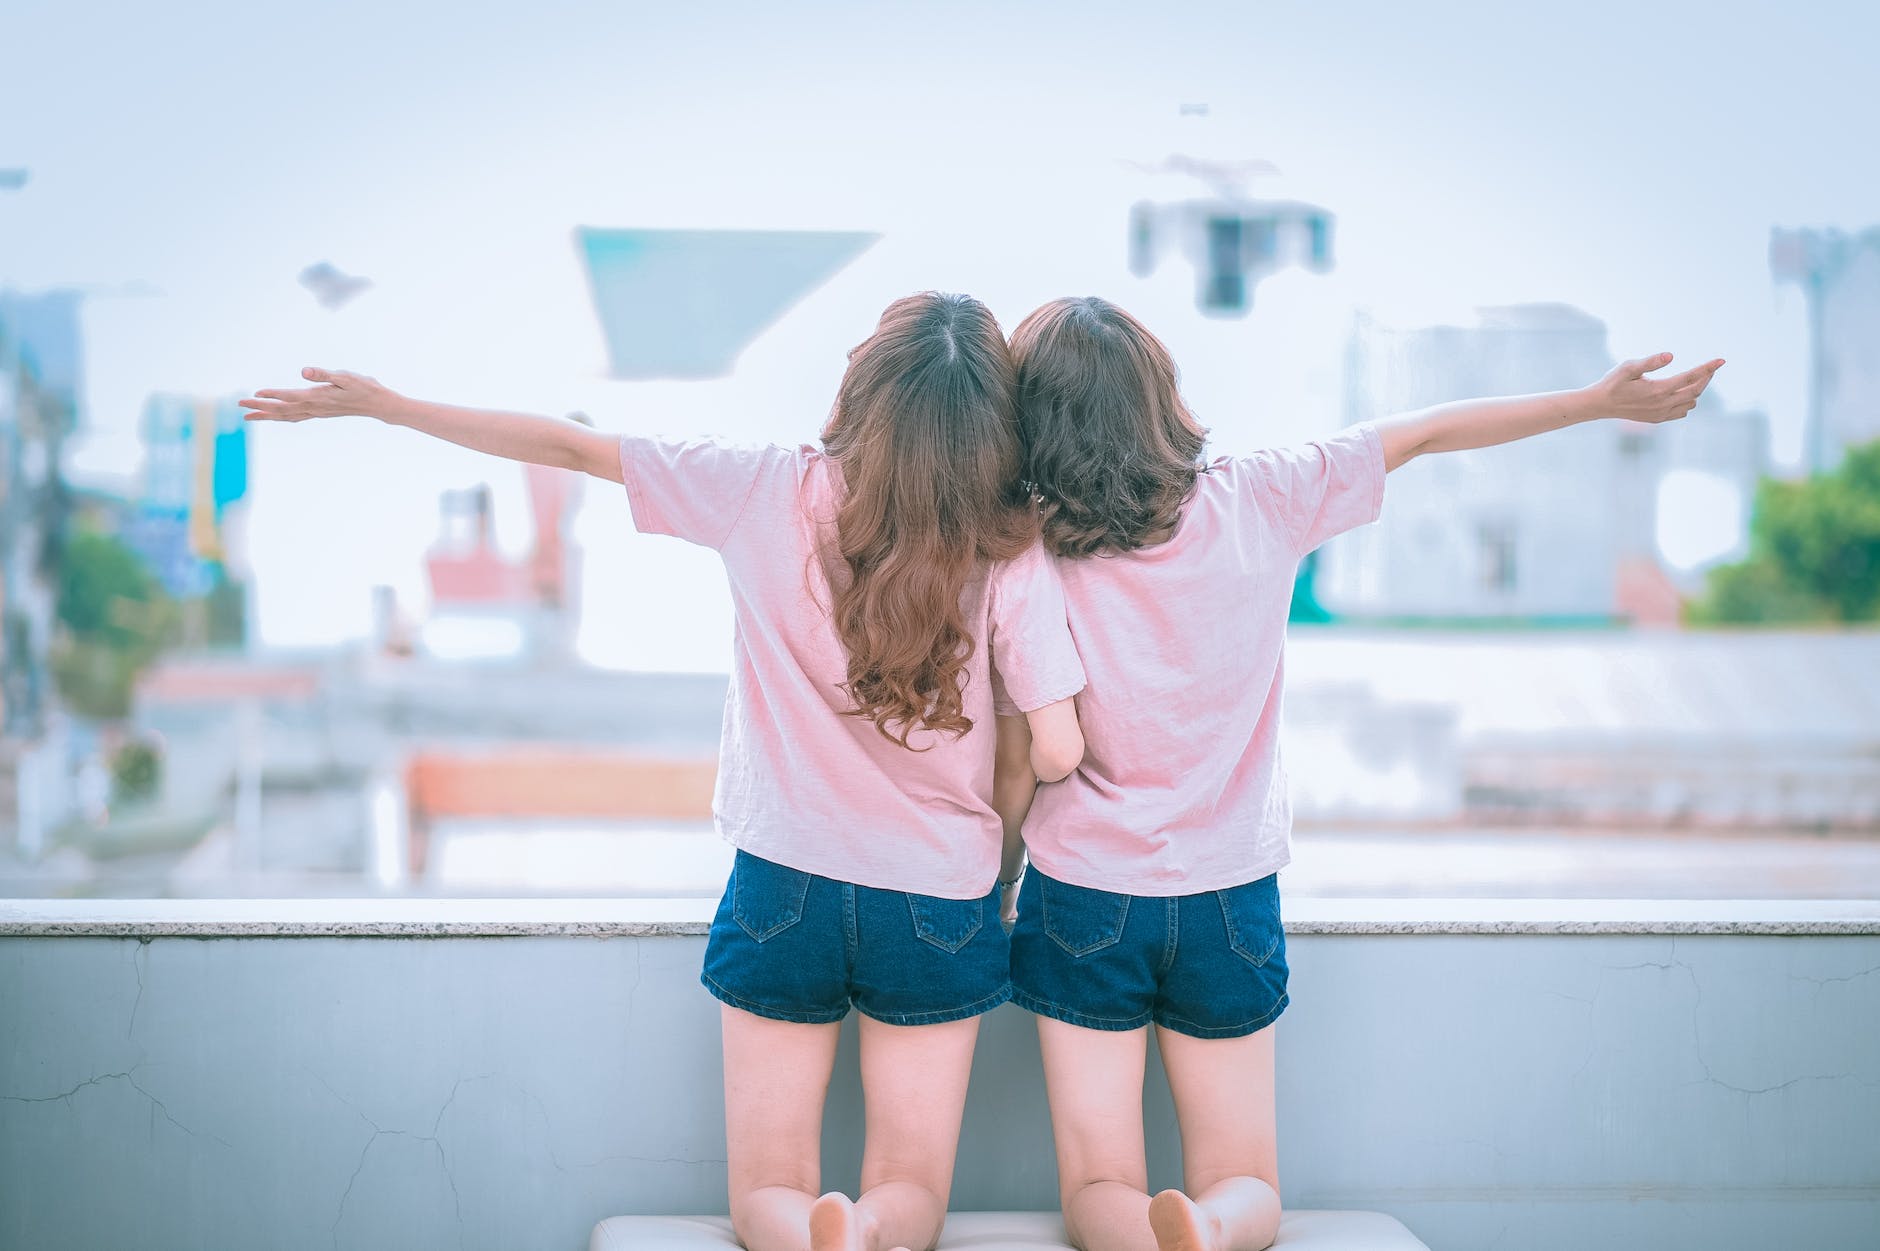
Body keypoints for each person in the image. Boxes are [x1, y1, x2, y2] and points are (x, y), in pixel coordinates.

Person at [242, 291, 1089, 1251]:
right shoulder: (1008, 546)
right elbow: (1035, 753)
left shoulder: (765, 490)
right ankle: (868, 1230)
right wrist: (1003, 874)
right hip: (940, 896)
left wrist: (394, 406)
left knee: (768, 1187)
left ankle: (816, 1231)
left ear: (866, 393)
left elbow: (569, 448)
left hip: (784, 885)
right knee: (910, 1187)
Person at [993, 295, 1720, 1251]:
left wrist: (997, 877)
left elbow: (1020, 756)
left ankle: (1139, 1230)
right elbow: (1424, 432)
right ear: (1159, 396)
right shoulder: (1260, 497)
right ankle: (1211, 1229)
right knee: (1248, 1174)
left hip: (1085, 892)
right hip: (1229, 895)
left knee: (1096, 1179)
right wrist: (1592, 402)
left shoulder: (1029, 552)